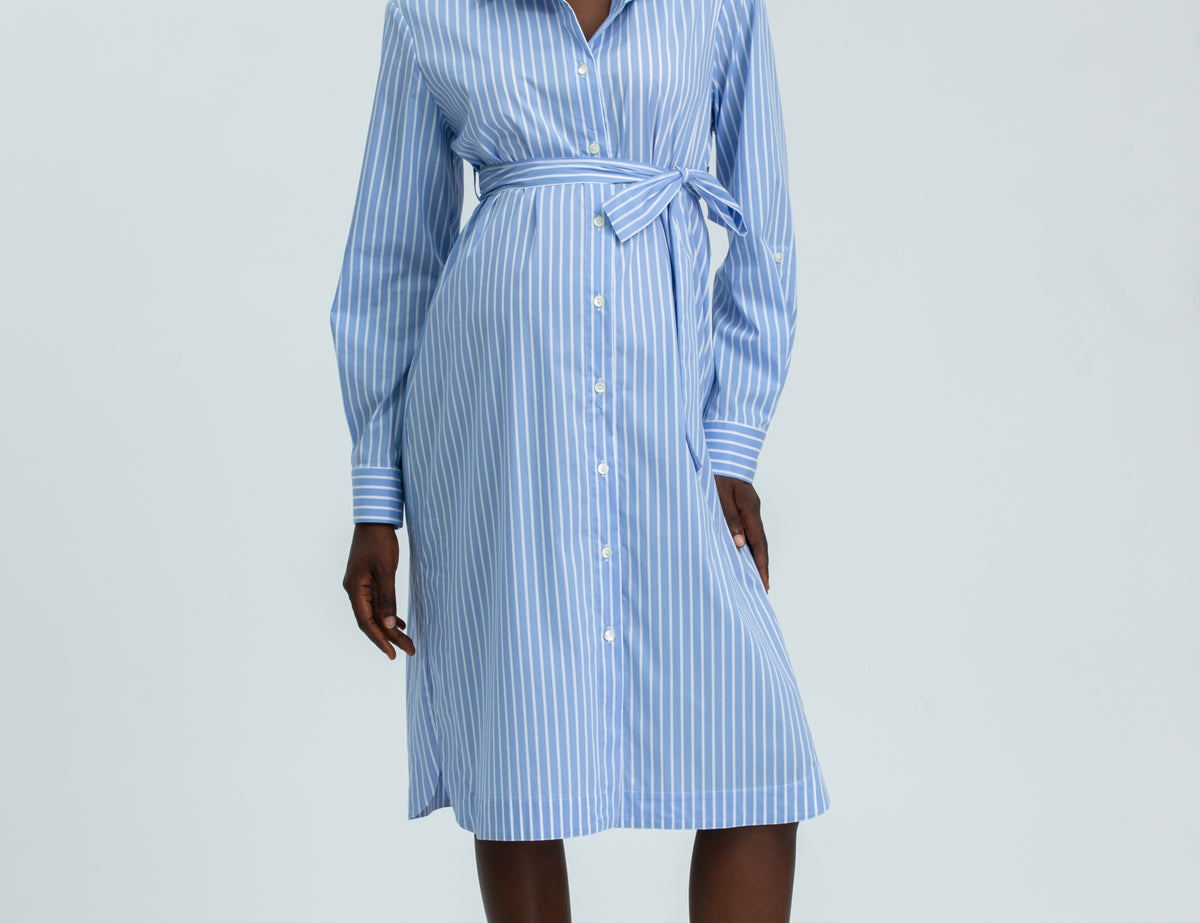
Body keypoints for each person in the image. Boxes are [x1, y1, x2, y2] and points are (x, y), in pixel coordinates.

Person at [328, 0, 831, 919]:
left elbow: (766, 236)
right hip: (496, 418)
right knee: (519, 740)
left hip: (667, 415)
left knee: (758, 753)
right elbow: (391, 258)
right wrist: (376, 493)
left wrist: (731, 438)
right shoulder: (430, 11)